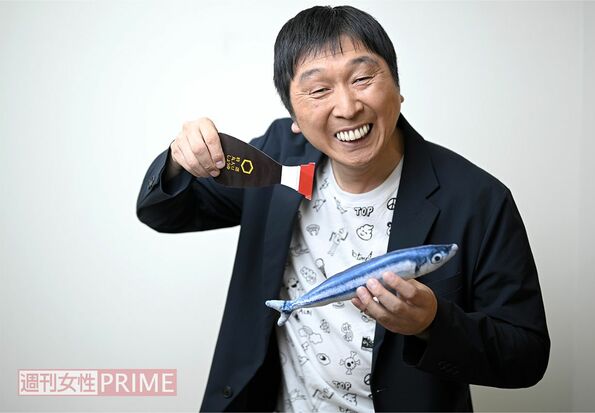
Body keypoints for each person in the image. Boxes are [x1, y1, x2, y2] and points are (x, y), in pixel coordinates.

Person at [137, 5, 550, 412]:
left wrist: (433, 323)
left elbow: (527, 356)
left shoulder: (477, 199)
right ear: (294, 115)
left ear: (398, 88)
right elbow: (163, 211)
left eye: (363, 78)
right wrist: (179, 159)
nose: (348, 107)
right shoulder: (279, 157)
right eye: (319, 90)